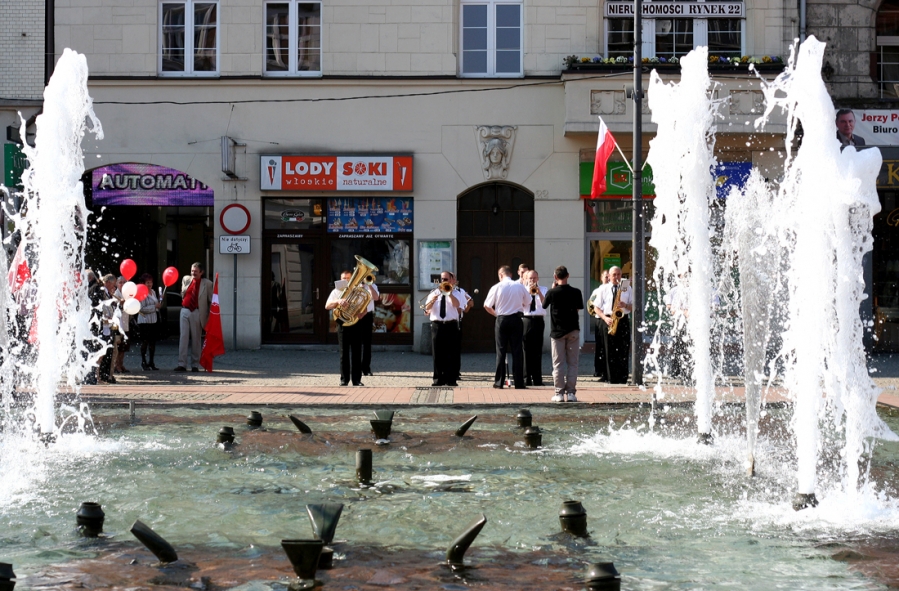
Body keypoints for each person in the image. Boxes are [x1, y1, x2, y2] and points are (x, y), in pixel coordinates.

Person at [483, 265, 530, 389]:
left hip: (502, 319)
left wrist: (496, 314)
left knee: (501, 351)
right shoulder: (519, 286)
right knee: (517, 351)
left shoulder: (496, 287)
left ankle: (499, 382)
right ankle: (519, 382)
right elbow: (528, 301)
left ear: (500, 275)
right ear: (511, 274)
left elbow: (487, 305)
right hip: (516, 319)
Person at [542, 265, 584, 402]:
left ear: (555, 277)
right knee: (573, 363)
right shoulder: (576, 292)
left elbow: (543, 305)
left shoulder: (552, 292)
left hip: (557, 331)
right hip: (573, 329)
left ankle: (559, 393)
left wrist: (553, 288)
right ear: (568, 275)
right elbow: (578, 308)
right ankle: (571, 393)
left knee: (558, 364)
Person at [590, 266, 633, 384]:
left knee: (623, 349)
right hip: (608, 319)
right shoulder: (603, 289)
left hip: (622, 319)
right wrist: (605, 318)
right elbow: (596, 308)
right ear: (609, 276)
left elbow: (633, 306)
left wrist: (625, 305)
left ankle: (622, 377)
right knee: (609, 350)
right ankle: (610, 377)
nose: (617, 277)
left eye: (619, 274)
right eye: (614, 275)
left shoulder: (627, 287)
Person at [325, 270, 366, 386]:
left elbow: (365, 309)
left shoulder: (358, 291)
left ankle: (357, 380)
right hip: (342, 322)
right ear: (340, 279)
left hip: (355, 322)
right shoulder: (336, 291)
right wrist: (338, 301)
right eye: (344, 278)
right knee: (344, 353)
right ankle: (344, 379)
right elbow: (327, 306)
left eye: (348, 278)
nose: (346, 280)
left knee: (357, 352)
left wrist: (361, 313)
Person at [424, 271, 462, 386]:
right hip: (437, 325)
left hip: (451, 325)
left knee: (451, 353)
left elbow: (458, 306)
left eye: (446, 279)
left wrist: (449, 294)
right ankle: (438, 379)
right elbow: (426, 309)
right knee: (437, 353)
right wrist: (432, 301)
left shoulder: (457, 293)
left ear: (451, 280)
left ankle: (451, 380)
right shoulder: (434, 293)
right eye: (442, 279)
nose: (443, 281)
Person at [176, 262, 213, 372]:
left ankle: (195, 365)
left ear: (201, 272)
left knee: (196, 339)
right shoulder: (186, 279)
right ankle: (181, 364)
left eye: (196, 271)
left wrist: (209, 316)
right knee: (183, 338)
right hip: (185, 310)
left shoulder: (207, 284)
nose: (193, 273)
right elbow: (183, 293)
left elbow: (211, 301)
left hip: (197, 312)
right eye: (192, 271)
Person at [522, 269, 547, 386]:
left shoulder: (544, 289)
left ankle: (537, 379)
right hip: (526, 320)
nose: (532, 280)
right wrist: (528, 292)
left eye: (534, 278)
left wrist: (538, 292)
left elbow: (545, 304)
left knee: (537, 350)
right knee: (526, 349)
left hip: (538, 320)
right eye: (530, 278)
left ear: (538, 278)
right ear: (526, 279)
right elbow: (521, 304)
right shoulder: (522, 290)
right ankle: (526, 378)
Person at [137, 272, 162, 371]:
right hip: (144, 321)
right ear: (143, 283)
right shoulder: (141, 293)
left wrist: (158, 306)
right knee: (145, 342)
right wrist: (154, 307)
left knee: (152, 342)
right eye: (147, 282)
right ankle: (143, 362)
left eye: (151, 282)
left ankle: (151, 362)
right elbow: (141, 308)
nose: (150, 284)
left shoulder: (153, 292)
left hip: (153, 320)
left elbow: (156, 304)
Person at [588, 270, 610, 380]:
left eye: (609, 277)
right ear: (601, 278)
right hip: (600, 320)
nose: (608, 279)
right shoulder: (597, 290)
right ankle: (598, 370)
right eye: (606, 277)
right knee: (600, 346)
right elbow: (590, 304)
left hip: (610, 320)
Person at [98, 274, 119, 384]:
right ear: (108, 283)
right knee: (101, 354)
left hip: (109, 327)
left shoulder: (108, 293)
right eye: (113, 284)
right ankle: (99, 375)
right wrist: (107, 318)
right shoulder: (101, 292)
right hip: (103, 326)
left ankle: (106, 375)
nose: (114, 287)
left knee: (109, 352)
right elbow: (101, 308)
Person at [359, 276, 380, 376]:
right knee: (356, 342)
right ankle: (356, 368)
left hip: (367, 315)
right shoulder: (355, 286)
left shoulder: (373, 286)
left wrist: (370, 286)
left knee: (367, 343)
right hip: (356, 314)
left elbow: (376, 298)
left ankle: (366, 368)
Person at [112, 276, 131, 375]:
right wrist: (120, 304)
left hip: (126, 323)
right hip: (117, 324)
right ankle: (116, 365)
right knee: (118, 346)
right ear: (116, 284)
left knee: (124, 346)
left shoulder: (128, 294)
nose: (122, 284)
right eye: (120, 282)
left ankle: (121, 363)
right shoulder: (115, 294)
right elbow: (114, 309)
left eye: (124, 282)